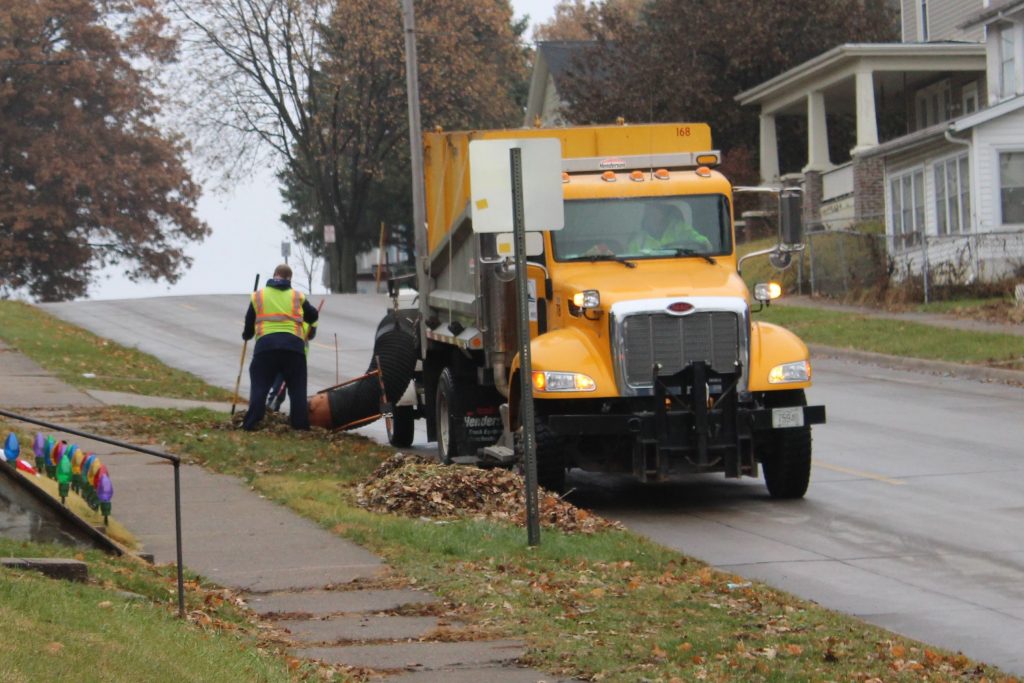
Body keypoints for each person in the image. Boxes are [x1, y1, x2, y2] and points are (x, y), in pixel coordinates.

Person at [241, 264, 319, 430]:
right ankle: (300, 425)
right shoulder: (297, 296)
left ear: (274, 274)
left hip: (266, 347)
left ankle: (252, 422)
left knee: (260, 386)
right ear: (290, 279)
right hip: (293, 348)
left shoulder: (258, 296)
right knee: (297, 389)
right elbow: (313, 315)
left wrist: (246, 335)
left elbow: (249, 325)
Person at [627, 203, 711, 253]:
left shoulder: (678, 228)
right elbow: (630, 263)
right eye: (649, 214)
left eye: (656, 214)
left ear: (664, 214)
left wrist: (704, 242)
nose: (652, 217)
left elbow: (697, 238)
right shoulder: (638, 240)